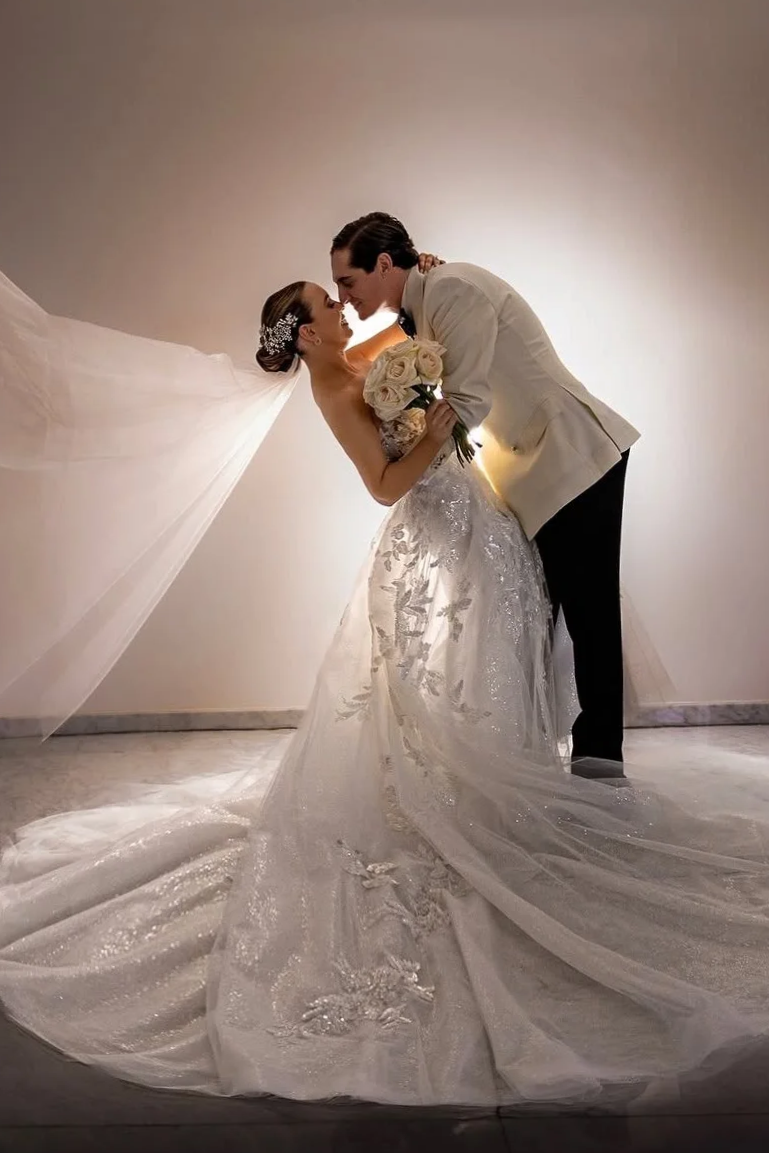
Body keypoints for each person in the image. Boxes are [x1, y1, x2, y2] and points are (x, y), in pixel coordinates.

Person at [1, 273, 769, 1111]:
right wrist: (435, 430)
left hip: (474, 517)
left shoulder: (356, 357)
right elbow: (381, 482)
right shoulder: (332, 386)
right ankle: (477, 797)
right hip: (437, 520)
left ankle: (506, 773)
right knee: (441, 691)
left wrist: (417, 319)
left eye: (340, 293)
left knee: (487, 667)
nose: (342, 307)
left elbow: (410, 337)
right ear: (304, 335)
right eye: (326, 304)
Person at [331, 213, 640, 779]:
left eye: (347, 282)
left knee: (588, 613)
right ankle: (537, 753)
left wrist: (408, 461)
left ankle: (601, 763)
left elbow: (467, 402)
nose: (344, 297)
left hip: (571, 456)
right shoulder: (421, 303)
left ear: (383, 264)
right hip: (530, 471)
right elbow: (382, 371)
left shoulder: (452, 289)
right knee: (538, 614)